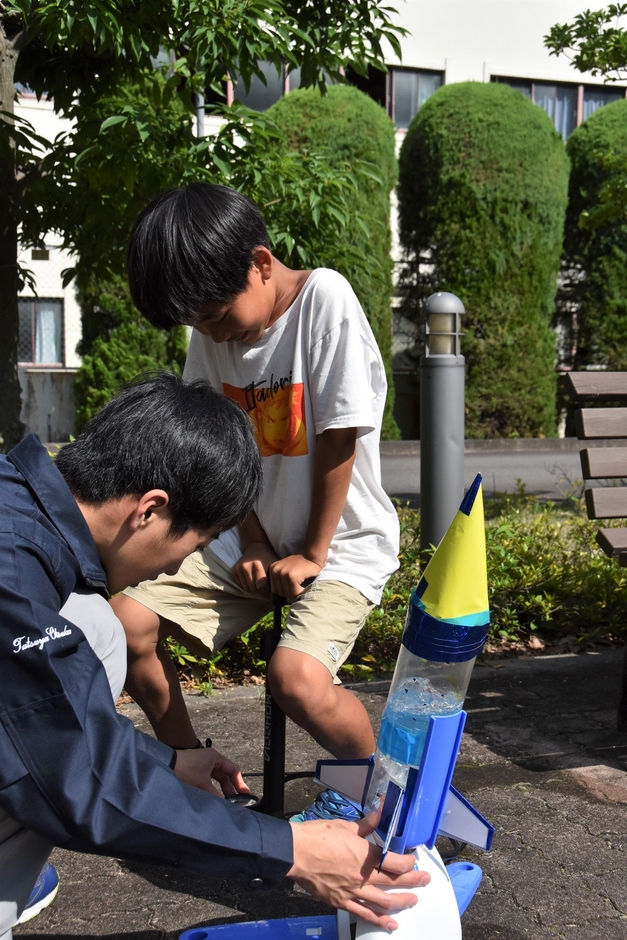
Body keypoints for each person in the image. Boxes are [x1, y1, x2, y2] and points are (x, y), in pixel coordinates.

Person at [0, 373, 428, 940]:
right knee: (86, 649)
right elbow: (76, 776)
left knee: (95, 625)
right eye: (195, 545)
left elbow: (44, 716)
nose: (178, 568)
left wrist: (167, 762)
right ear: (150, 510)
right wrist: (293, 850)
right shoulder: (11, 579)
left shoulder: (18, 502)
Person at [112, 183, 400, 821]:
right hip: (249, 540)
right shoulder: (211, 330)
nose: (213, 333)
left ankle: (381, 798)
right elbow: (219, 454)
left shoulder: (324, 299)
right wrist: (254, 539)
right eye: (199, 324)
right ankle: (191, 768)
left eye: (217, 316)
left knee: (296, 679)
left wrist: (312, 553)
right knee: (126, 624)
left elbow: (339, 438)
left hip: (341, 543)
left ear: (261, 263)